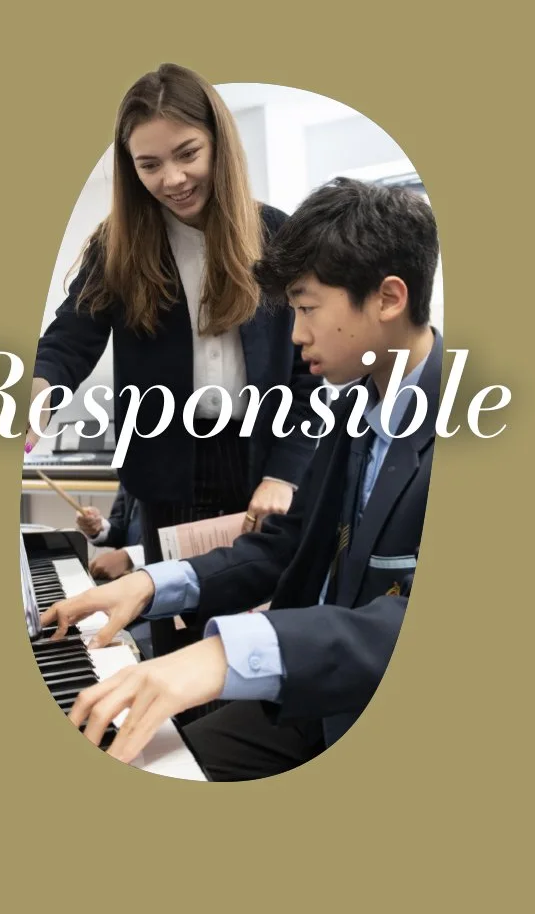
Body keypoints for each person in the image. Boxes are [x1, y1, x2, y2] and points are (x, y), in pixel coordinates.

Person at [40, 178, 442, 781]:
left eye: (306, 309)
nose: (297, 334)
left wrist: (226, 652)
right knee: (142, 755)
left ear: (387, 298)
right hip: (315, 705)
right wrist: (149, 585)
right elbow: (284, 546)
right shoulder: (353, 409)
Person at [27, 64, 320, 658]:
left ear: (219, 143)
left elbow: (308, 371)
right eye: (149, 165)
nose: (174, 178)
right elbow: (67, 342)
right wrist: (33, 401)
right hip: (166, 470)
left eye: (188, 153)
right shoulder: (120, 244)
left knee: (250, 638)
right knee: (169, 626)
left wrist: (285, 472)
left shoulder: (279, 234)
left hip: (259, 464)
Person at [76, 484, 144, 581]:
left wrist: (128, 557)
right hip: (128, 580)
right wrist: (99, 526)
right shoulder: (129, 472)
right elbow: (121, 524)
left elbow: (172, 536)